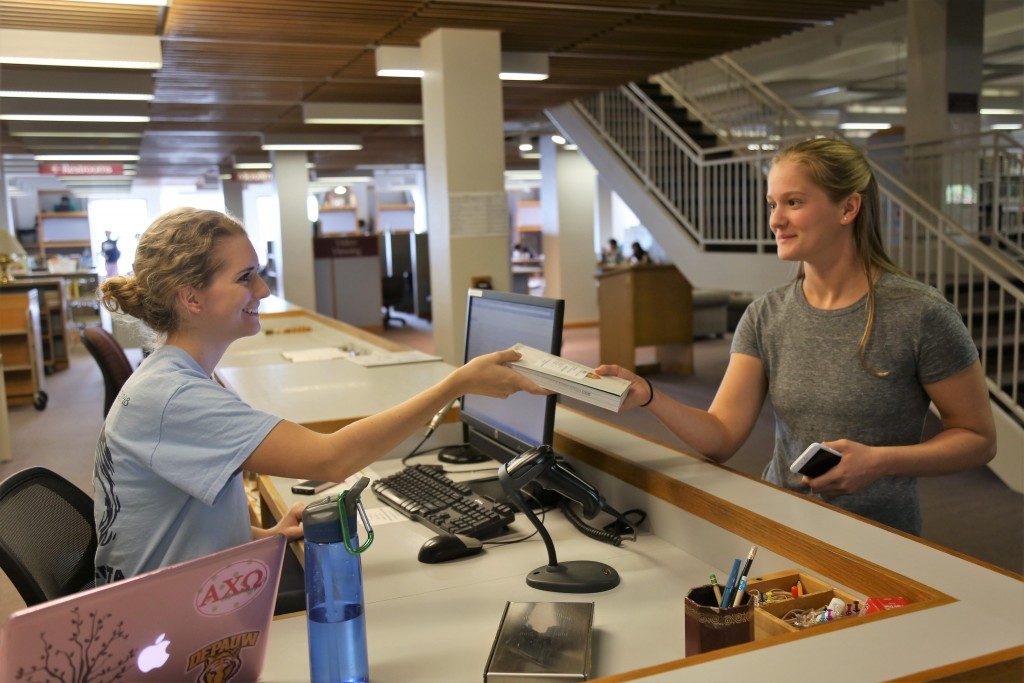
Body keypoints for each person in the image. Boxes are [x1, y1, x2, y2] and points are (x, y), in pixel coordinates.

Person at [93, 208, 546, 583]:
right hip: (166, 625)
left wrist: (263, 534)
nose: (263, 290)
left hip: (171, 593)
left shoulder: (172, 376)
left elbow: (171, 523)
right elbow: (330, 460)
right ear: (191, 298)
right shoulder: (175, 396)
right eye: (245, 278)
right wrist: (456, 384)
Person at [596, 138, 995, 535]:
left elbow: (977, 438)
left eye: (794, 202)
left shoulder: (919, 312)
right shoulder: (766, 315)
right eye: (773, 204)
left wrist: (879, 461)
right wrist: (650, 394)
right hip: (784, 526)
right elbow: (721, 435)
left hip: (881, 538)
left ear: (848, 208)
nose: (775, 220)